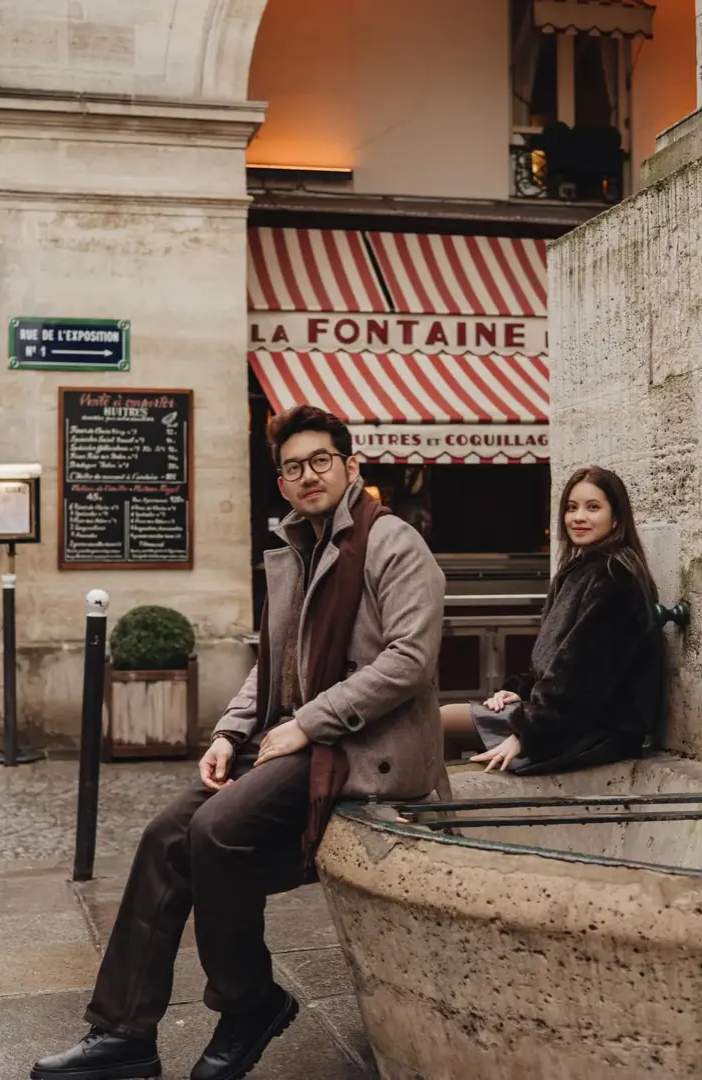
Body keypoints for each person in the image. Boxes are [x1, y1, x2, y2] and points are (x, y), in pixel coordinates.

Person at [32, 405, 447, 1080]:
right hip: (297, 739)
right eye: (293, 467)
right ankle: (123, 1032)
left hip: (358, 749)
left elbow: (409, 660)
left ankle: (248, 1002)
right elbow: (271, 665)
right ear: (280, 483)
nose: (308, 475)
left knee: (217, 829)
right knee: (165, 835)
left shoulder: (393, 543)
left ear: (350, 466)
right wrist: (229, 731)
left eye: (320, 460)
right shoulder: (297, 550)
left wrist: (308, 723)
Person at [442, 466, 663, 775]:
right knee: (437, 722)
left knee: (442, 726)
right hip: (560, 717)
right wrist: (521, 690)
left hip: (593, 729)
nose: (578, 517)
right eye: (571, 508)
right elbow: (556, 665)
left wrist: (526, 734)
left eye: (593, 507)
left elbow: (584, 677)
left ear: (616, 518)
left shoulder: (616, 578)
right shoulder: (577, 571)